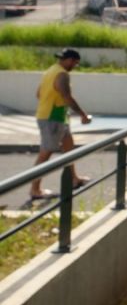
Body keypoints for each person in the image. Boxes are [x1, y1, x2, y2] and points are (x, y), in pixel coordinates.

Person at [29, 48, 91, 200]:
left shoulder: (51, 70)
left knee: (69, 147)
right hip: (52, 118)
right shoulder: (62, 75)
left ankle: (73, 179)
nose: (74, 66)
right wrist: (83, 115)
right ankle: (35, 189)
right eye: (75, 63)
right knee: (45, 153)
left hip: (57, 116)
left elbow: (38, 94)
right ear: (70, 60)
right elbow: (67, 97)